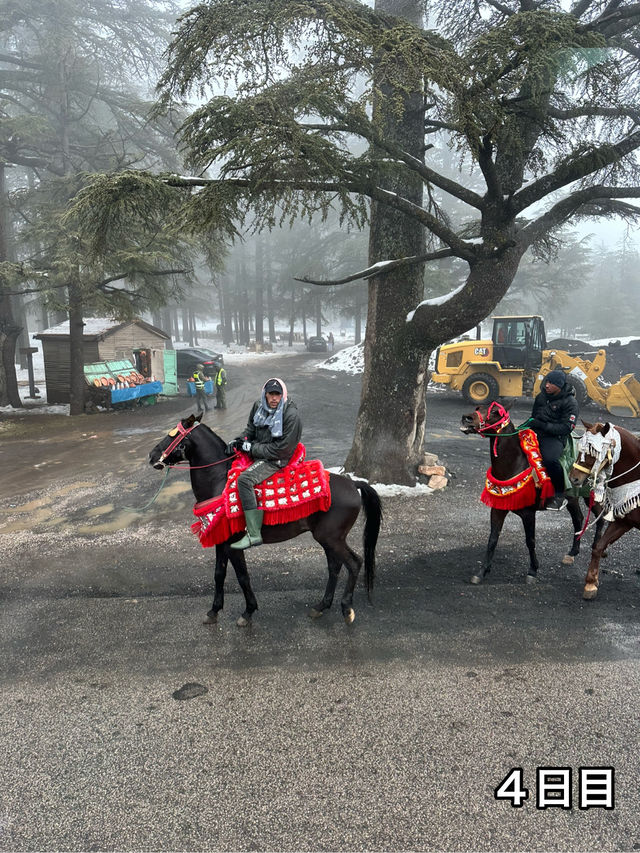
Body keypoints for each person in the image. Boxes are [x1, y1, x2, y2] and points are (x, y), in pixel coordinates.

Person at [225, 378, 302, 549]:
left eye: (277, 394)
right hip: (259, 452)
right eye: (270, 394)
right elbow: (250, 430)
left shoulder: (290, 415)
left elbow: (282, 449)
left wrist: (251, 448)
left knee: (244, 480)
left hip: (276, 459)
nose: (274, 398)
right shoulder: (258, 406)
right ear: (264, 394)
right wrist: (239, 440)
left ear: (283, 395)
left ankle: (253, 534)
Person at [529, 369, 579, 511]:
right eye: (547, 381)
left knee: (550, 460)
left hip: (554, 437)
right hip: (536, 431)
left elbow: (566, 427)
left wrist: (545, 426)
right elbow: (534, 416)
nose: (547, 385)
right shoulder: (541, 397)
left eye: (551, 383)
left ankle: (559, 493)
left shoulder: (570, 402)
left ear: (560, 385)